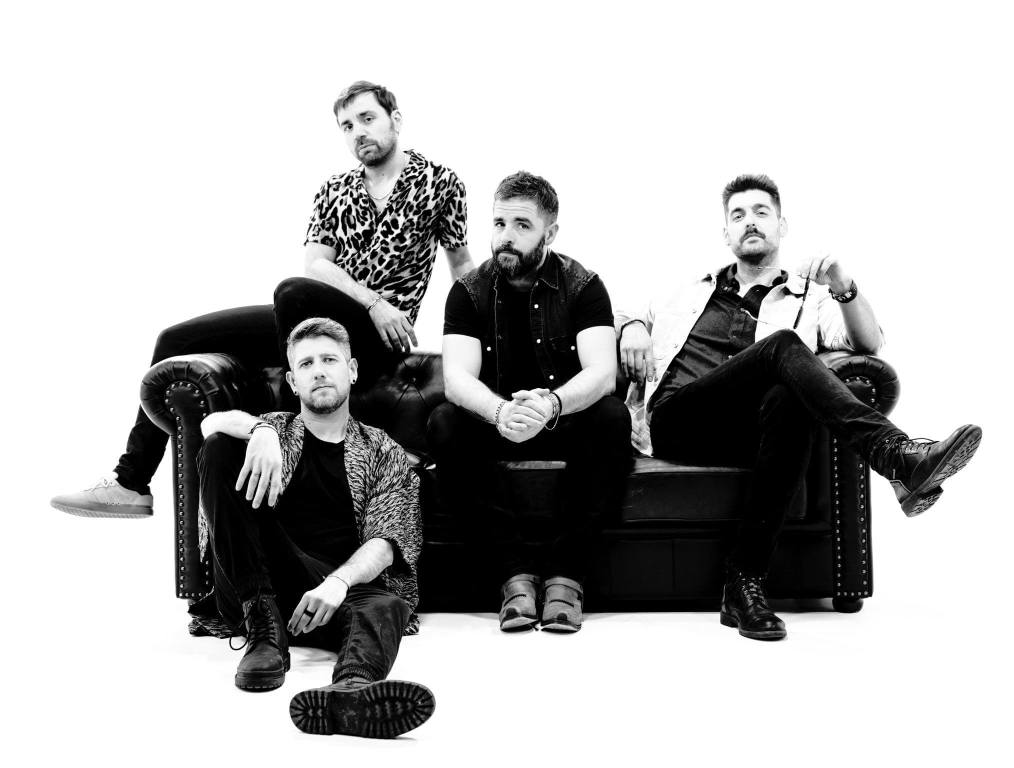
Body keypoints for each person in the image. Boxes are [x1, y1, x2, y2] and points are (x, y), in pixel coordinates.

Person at [52, 80, 473, 519]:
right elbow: (316, 264)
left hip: (372, 339)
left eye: (367, 119)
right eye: (347, 126)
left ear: (395, 120)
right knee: (173, 339)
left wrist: (475, 339)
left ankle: (292, 438)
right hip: (314, 315)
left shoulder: (439, 182)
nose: (358, 132)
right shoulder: (335, 188)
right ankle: (131, 483)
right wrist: (372, 301)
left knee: (290, 291)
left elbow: (461, 264)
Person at [615, 173, 982, 641]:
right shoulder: (689, 289)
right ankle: (895, 457)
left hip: (754, 432)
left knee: (790, 400)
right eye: (738, 215)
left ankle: (743, 584)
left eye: (761, 212)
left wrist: (844, 285)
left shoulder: (812, 296)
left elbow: (867, 344)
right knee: (784, 344)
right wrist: (632, 327)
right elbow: (623, 312)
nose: (750, 222)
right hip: (681, 422)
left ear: (782, 226)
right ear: (726, 233)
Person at [198, 317, 433, 738]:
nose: (319, 371)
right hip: (257, 578)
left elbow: (387, 541)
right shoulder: (274, 430)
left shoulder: (382, 450)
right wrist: (260, 430)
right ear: (292, 381)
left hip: (331, 593)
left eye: (329, 360)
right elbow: (208, 425)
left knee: (386, 605)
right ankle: (263, 629)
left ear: (352, 370)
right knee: (218, 448)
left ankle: (351, 692)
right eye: (306, 364)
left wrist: (337, 583)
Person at [427, 171, 632, 633]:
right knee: (443, 421)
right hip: (499, 424)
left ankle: (565, 577)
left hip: (563, 421)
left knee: (612, 417)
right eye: (499, 223)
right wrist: (500, 411)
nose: (506, 236)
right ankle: (514, 576)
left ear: (549, 233)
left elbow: (602, 374)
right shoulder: (468, 291)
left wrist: (551, 406)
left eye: (522, 225)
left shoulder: (583, 285)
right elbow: (456, 379)